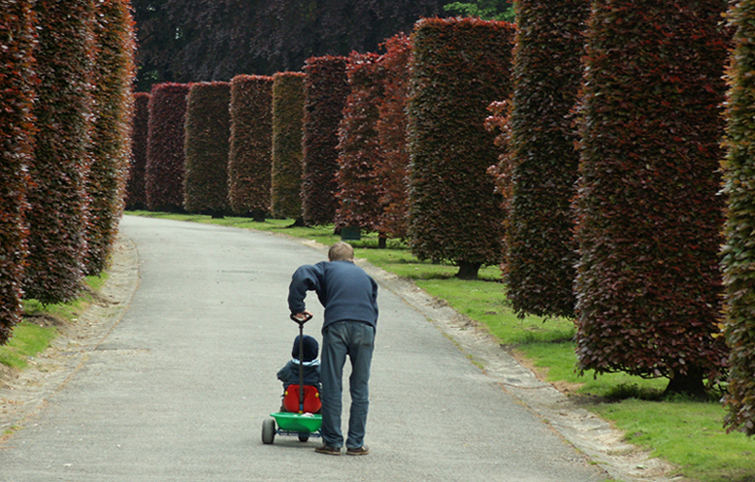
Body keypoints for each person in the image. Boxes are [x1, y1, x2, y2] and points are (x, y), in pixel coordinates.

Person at [288, 241, 378, 456]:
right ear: (352, 259)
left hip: (337, 326)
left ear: (330, 258)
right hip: (366, 328)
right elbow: (373, 305)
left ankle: (333, 442)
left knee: (332, 383)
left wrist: (297, 308)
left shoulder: (326, 268)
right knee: (360, 385)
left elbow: (302, 274)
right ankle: (356, 444)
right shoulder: (366, 277)